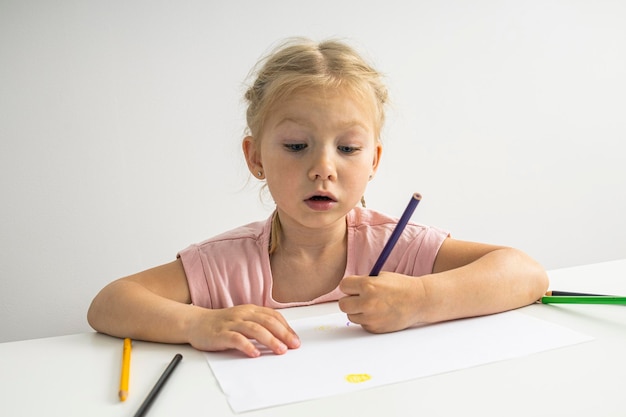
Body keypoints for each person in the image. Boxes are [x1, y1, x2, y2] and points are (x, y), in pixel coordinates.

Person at [87, 38, 549, 358]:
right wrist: (197, 325)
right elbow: (109, 302)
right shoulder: (223, 264)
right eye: (295, 146)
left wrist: (422, 298)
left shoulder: (398, 247)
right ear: (255, 158)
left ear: (374, 161)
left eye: (347, 149)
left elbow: (527, 274)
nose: (323, 167)